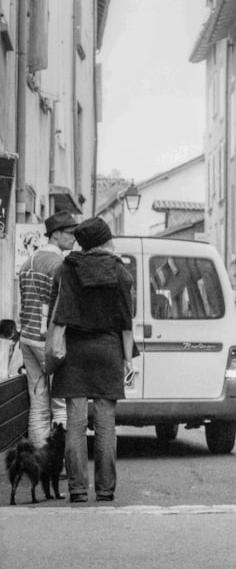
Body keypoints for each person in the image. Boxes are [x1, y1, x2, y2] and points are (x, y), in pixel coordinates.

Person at [50, 218, 136, 504]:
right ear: (104, 241)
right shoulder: (121, 272)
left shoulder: (67, 269)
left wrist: (55, 345)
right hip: (108, 349)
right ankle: (105, 489)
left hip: (74, 350)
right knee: (105, 423)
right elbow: (126, 322)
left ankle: (76, 489)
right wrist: (128, 359)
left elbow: (58, 311)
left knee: (75, 423)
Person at [17, 210, 78, 449]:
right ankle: (58, 462)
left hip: (28, 338)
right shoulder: (59, 265)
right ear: (56, 235)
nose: (74, 238)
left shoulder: (27, 262)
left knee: (38, 401)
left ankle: (39, 458)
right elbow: (62, 306)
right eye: (70, 233)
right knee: (61, 403)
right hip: (48, 340)